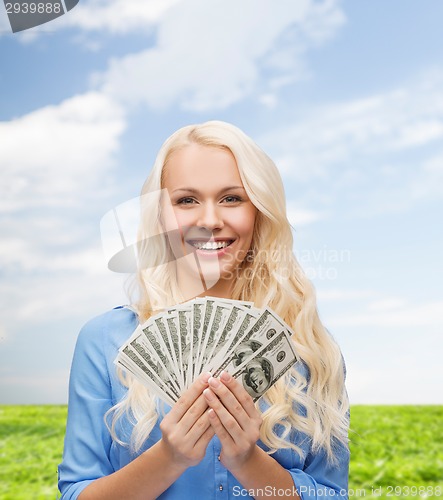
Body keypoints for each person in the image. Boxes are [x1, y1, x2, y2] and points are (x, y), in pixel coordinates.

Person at [58, 121, 350, 500]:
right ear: (160, 216)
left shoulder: (312, 349)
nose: (210, 221)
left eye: (232, 198)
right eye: (186, 200)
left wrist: (247, 460)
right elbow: (76, 494)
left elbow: (332, 495)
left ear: (259, 212)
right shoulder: (102, 340)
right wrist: (169, 458)